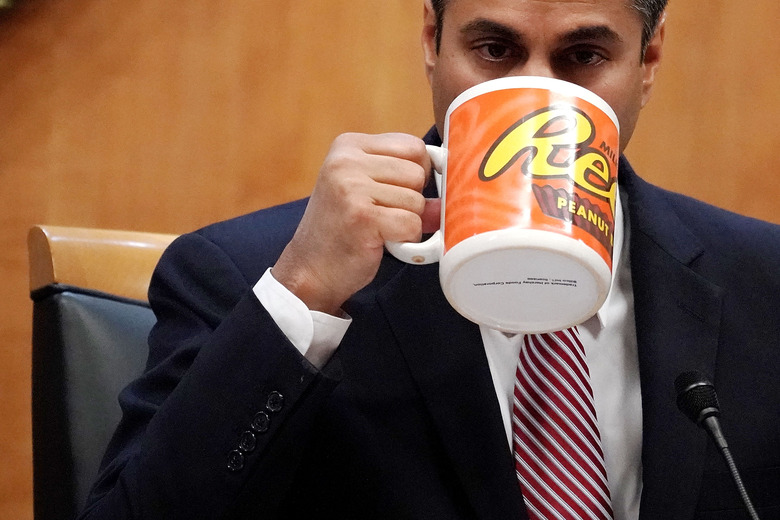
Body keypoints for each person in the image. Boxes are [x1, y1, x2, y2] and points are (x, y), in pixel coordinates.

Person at [80, 0, 780, 519]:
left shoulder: (763, 281)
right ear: (431, 41)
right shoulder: (246, 274)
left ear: (649, 60)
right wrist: (307, 291)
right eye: (495, 50)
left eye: (583, 57)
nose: (537, 95)